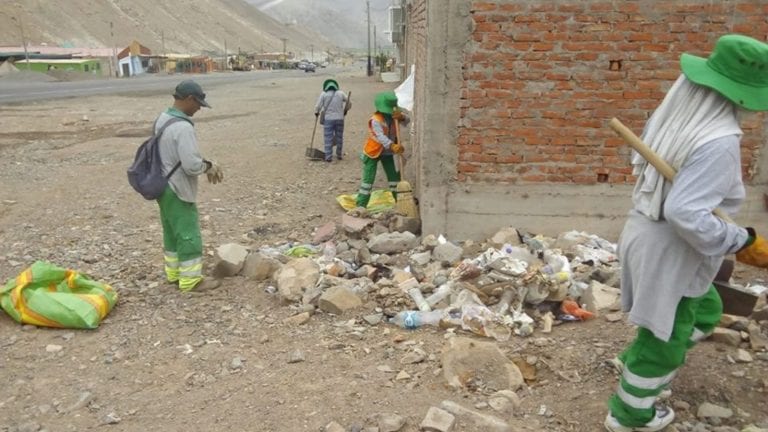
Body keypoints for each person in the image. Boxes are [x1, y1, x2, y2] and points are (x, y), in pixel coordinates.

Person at [604, 34, 768, 432]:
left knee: (706, 309)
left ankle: (641, 359)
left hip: (646, 232)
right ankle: (630, 413)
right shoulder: (719, 142)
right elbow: (685, 213)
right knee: (667, 336)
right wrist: (741, 241)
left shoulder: (679, 114)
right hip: (669, 247)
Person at [155, 80, 224, 292]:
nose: (199, 109)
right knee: (188, 233)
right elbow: (192, 166)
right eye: (198, 104)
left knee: (171, 231)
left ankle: (174, 274)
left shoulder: (163, 119)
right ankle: (191, 280)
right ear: (189, 99)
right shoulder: (183, 127)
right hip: (178, 188)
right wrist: (209, 166)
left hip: (162, 185)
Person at [354, 90, 408, 209]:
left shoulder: (395, 116)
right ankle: (361, 204)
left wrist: (403, 117)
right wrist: (393, 145)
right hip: (373, 152)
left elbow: (407, 122)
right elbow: (380, 136)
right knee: (368, 180)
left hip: (387, 153)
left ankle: (400, 201)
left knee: (393, 178)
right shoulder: (375, 119)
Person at [314, 79, 349, 161]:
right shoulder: (341, 93)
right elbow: (349, 102)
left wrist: (316, 113)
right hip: (340, 119)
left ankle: (328, 157)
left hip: (328, 119)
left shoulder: (323, 94)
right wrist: (345, 110)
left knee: (328, 138)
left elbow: (317, 106)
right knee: (339, 137)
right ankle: (339, 155)